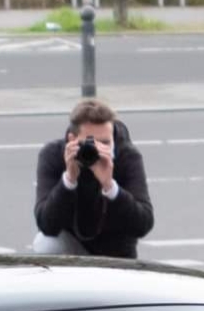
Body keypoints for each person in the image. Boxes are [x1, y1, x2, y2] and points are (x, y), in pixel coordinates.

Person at [31, 99, 155, 259]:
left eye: (105, 143)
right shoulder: (54, 155)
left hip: (116, 254)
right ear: (72, 139)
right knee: (45, 244)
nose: (98, 150)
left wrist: (111, 187)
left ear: (113, 138)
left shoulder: (127, 157)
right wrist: (68, 181)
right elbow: (46, 225)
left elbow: (143, 224)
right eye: (89, 143)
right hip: (71, 246)